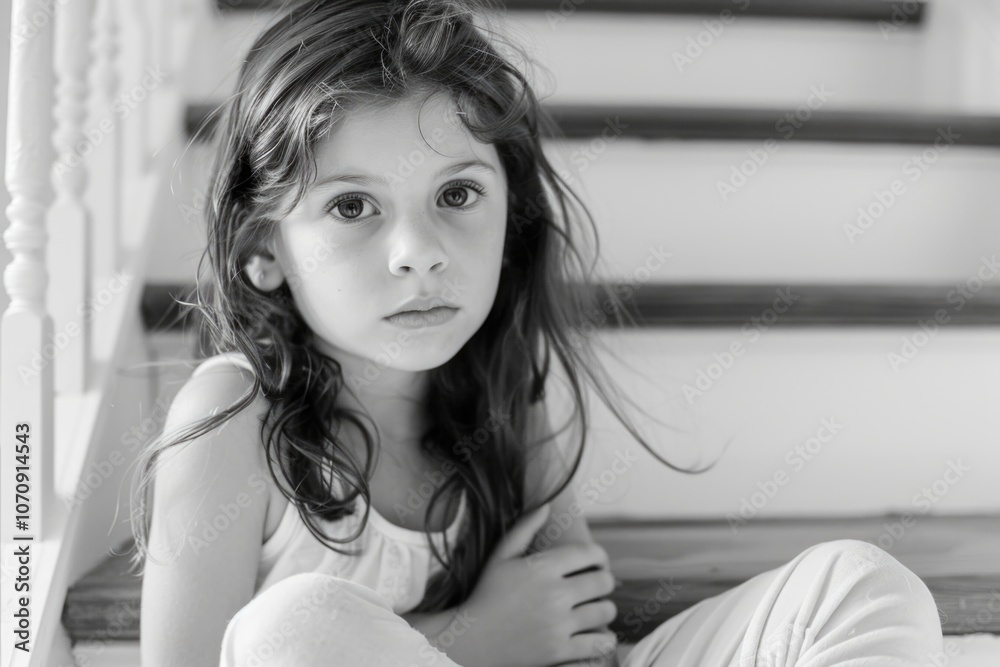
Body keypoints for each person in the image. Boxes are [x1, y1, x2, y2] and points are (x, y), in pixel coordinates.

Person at [128, 1, 945, 665]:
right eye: (352, 207)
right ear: (262, 250)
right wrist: (470, 643)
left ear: (509, 217)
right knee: (292, 630)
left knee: (863, 584)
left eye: (456, 195)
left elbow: (581, 634)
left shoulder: (503, 387)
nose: (418, 254)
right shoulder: (236, 417)